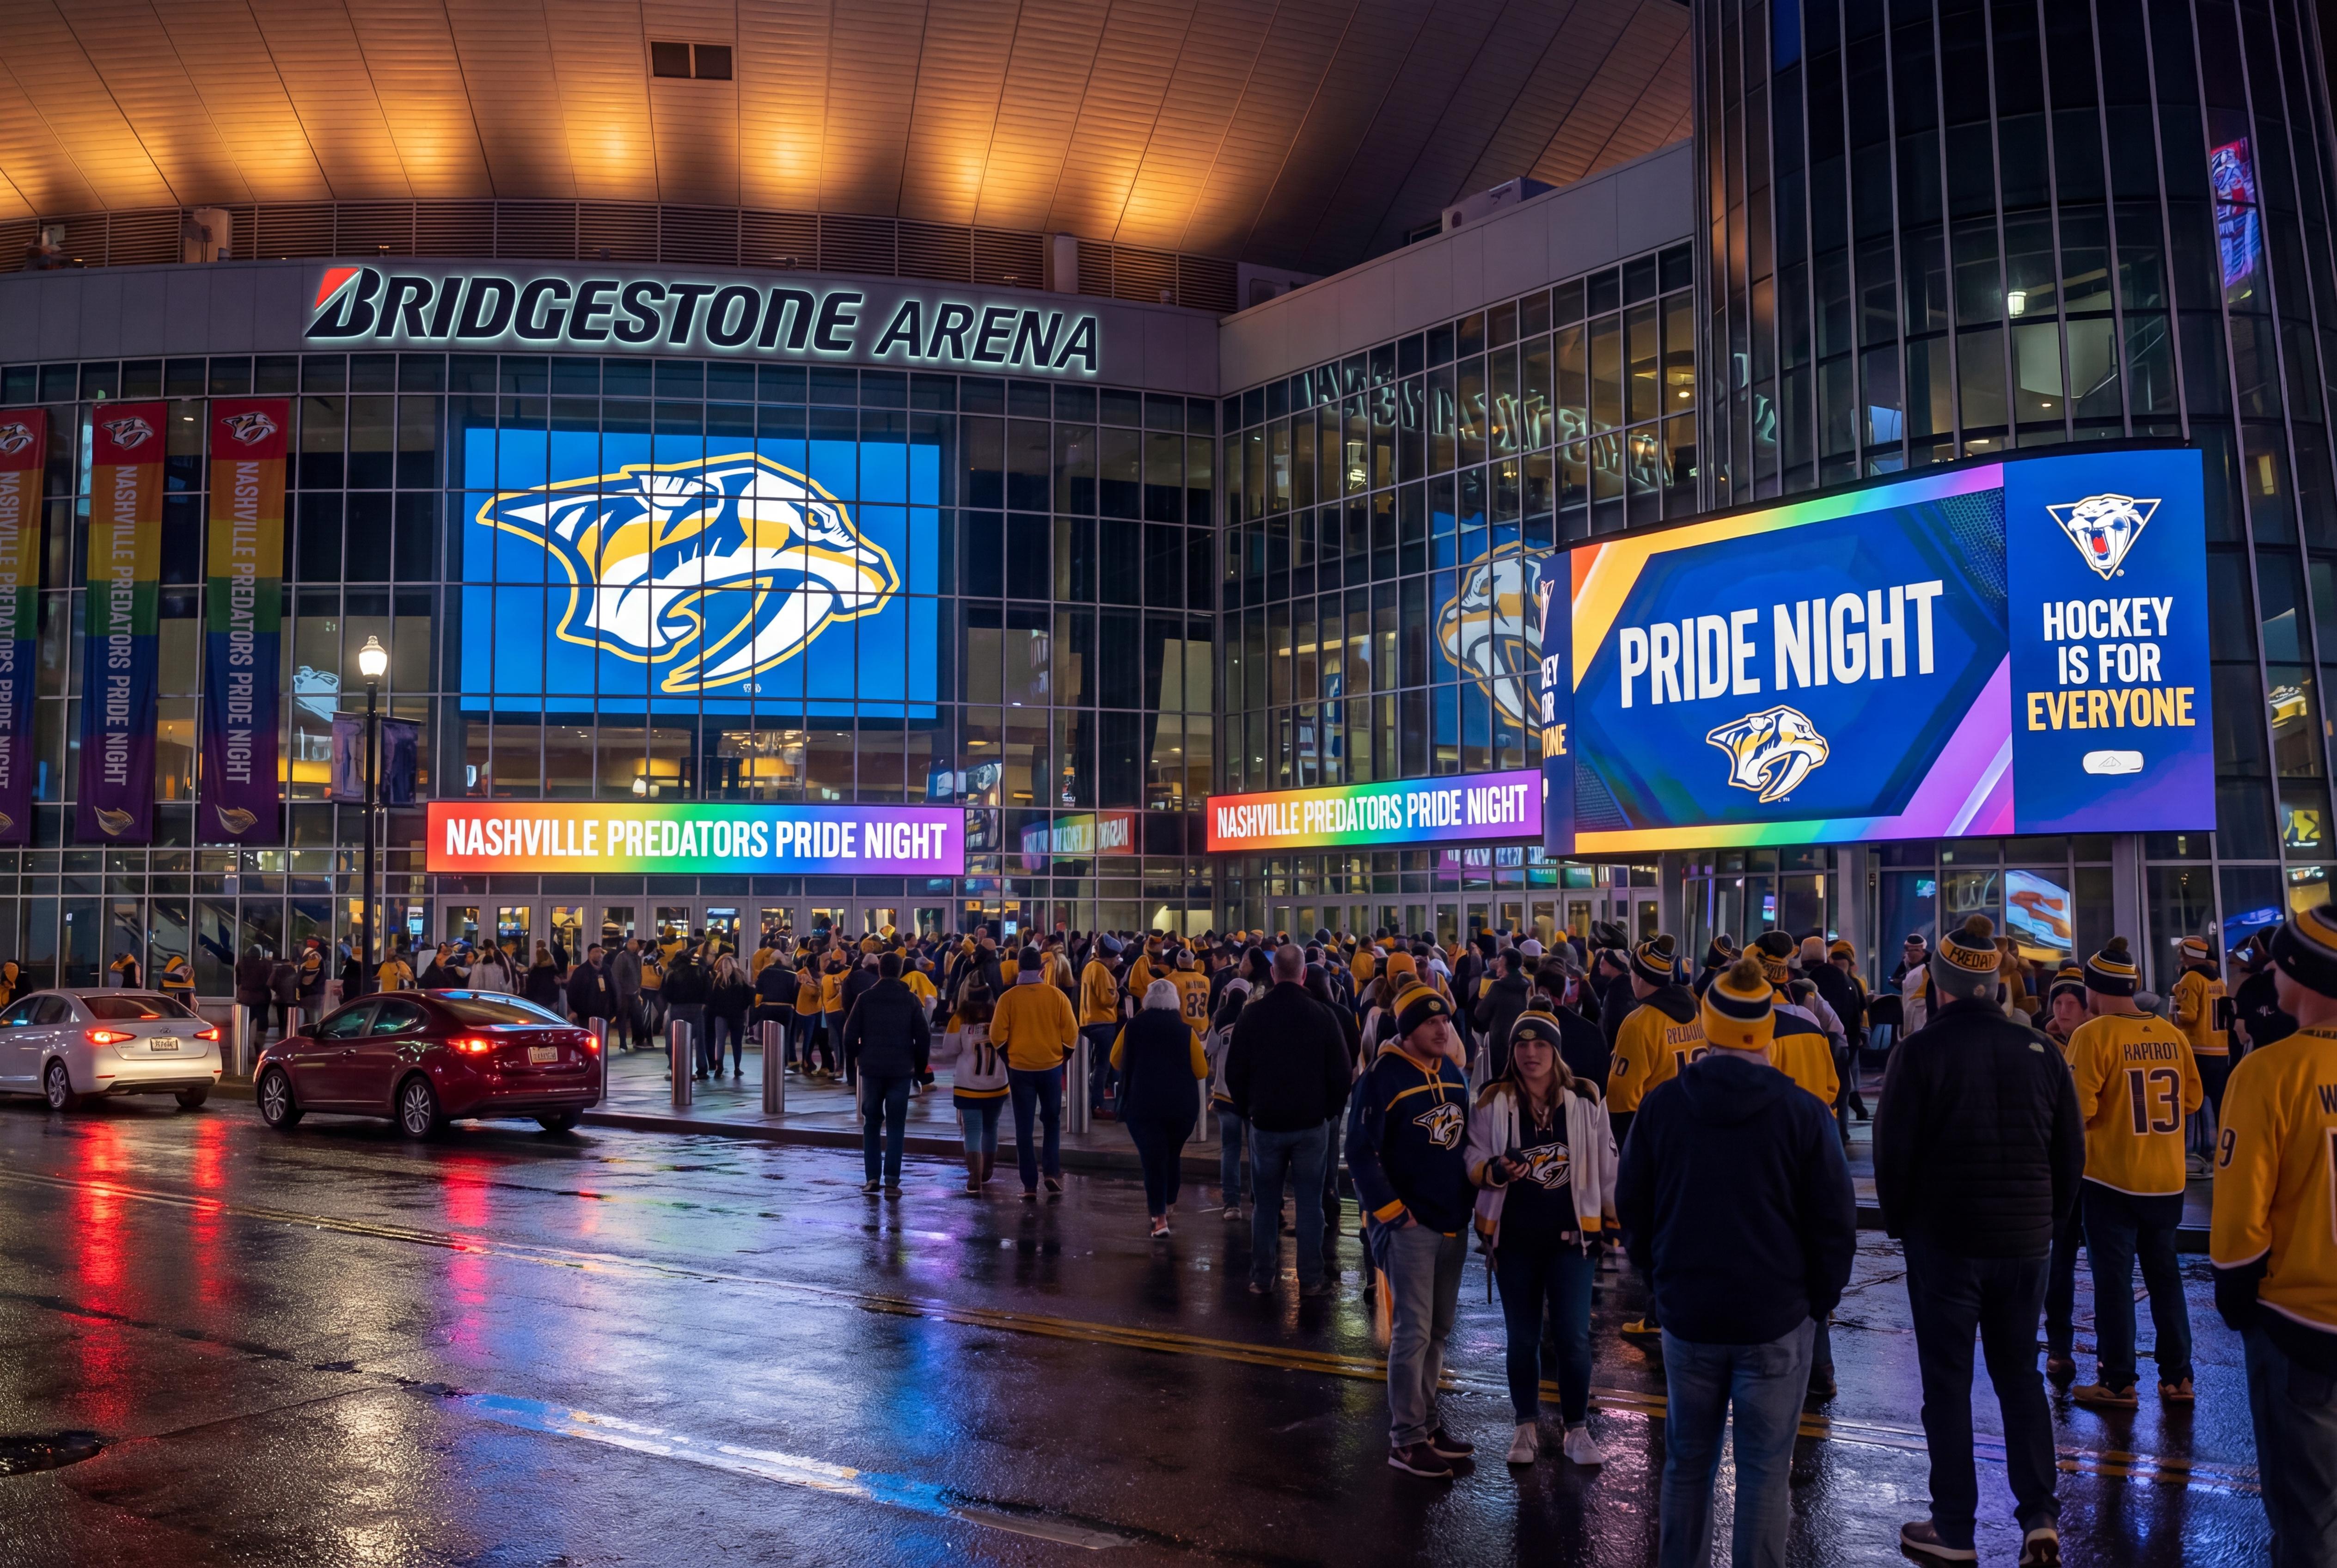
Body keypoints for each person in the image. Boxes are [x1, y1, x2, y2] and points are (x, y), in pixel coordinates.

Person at [1614, 953, 1856, 1568]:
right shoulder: (1803, 1112)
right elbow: (1835, 1221)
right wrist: (1817, 1301)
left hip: (1689, 1313)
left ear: (1709, 1025)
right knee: (1765, 1475)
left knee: (1687, 1465)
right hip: (1776, 1316)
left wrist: (1659, 1279)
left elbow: (1633, 1204)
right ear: (1765, 1029)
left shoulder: (1663, 1106)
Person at [1873, 914, 2085, 1568]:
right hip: (2025, 1244)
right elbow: (2070, 1154)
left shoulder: (1919, 1053)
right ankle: (2039, 1516)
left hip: (1946, 1243)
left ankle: (1954, 1526)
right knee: (2019, 1376)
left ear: (1938, 984)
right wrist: (2046, 1223)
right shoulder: (2043, 1051)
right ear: (1994, 985)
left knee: (1948, 1384)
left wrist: (1902, 1224)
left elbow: (1893, 1155)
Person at [2211, 903, 2337, 1567]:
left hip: (2300, 1324)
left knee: (2305, 1519)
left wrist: (2237, 1296)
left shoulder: (2267, 1071)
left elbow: (2240, 1220)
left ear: (2302, 975)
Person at [1466, 1010, 1616, 1469]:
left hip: (1573, 1240)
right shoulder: (1493, 1099)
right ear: (1511, 1050)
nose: (1530, 1053)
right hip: (1514, 1241)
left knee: (1573, 1337)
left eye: (1540, 1044)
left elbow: (1608, 1163)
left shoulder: (1586, 1096)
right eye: (1522, 1044)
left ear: (1556, 1050)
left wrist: (1612, 1219)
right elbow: (1472, 1153)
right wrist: (1494, 1169)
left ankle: (1577, 1428)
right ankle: (1525, 1426)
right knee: (1522, 1338)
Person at [2064, 937, 2202, 1407]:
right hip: (2166, 1179)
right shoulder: (2171, 1033)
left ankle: (2118, 1380)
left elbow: (2077, 1111)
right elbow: (2191, 1099)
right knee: (2165, 1277)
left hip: (2112, 1179)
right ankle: (2178, 1377)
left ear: (2094, 988)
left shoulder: (2093, 1034)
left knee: (2114, 1282)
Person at [1349, 978, 1475, 1479]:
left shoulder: (1452, 1071)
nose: (1443, 1029)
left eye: (1445, 1020)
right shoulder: (1382, 1076)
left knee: (1438, 1330)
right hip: (1410, 1226)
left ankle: (1427, 1423)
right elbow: (1360, 1152)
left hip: (1451, 1221)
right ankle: (1405, 1439)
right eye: (1431, 1022)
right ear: (1407, 1028)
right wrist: (1393, 1213)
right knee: (1413, 1332)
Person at [1224, 944, 1353, 1299]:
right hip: (1310, 1124)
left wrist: (1249, 1109)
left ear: (1274, 973)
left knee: (1266, 1205)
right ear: (1303, 974)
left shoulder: (1252, 1015)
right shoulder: (1323, 1015)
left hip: (1266, 1122)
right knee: (1310, 1204)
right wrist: (1328, 1111)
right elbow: (1342, 1073)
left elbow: (1234, 1071)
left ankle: (1262, 1277)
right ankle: (1310, 1278)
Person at [1115, 978, 1208, 1236]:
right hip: (1182, 1107)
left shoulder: (1133, 1027)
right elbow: (1202, 1071)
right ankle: (1169, 1203)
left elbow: (1115, 1060)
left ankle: (1160, 1217)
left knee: (1152, 1158)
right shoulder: (1186, 1031)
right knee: (1172, 1154)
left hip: (1143, 1105)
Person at [2038, 968, 2093, 1382]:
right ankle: (2059, 1345)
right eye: (2057, 1002)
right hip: (2061, 1169)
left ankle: (2116, 1356)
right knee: (2059, 1263)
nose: (2063, 1010)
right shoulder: (2044, 1047)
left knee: (2108, 1266)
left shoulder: (2097, 1041)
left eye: (2071, 1002)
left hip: (2099, 1172)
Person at [991, 947, 1079, 1200]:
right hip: (1051, 1067)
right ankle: (1051, 1172)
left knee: (1024, 1126)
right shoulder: (1056, 996)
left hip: (1020, 1069)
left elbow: (997, 1036)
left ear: (1019, 968)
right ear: (1042, 970)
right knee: (1052, 1121)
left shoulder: (1008, 998)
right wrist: (1061, 1057)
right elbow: (1071, 1034)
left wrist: (1010, 1059)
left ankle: (1029, 1185)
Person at [841, 952, 931, 1197]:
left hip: (872, 1068)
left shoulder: (865, 998)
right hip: (901, 1068)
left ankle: (872, 1178)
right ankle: (892, 1181)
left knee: (871, 1122)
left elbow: (850, 1035)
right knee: (896, 1124)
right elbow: (923, 1036)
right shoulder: (910, 1000)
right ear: (900, 972)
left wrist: (857, 1057)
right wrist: (920, 1066)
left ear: (879, 970)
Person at [1604, 934, 1701, 1154]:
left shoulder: (1638, 1024)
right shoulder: (1696, 1014)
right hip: (1692, 1129)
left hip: (1658, 1137)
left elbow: (1621, 1099)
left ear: (1640, 978)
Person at [1207, 947, 1268, 1215]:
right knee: (1256, 1150)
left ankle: (1231, 1203)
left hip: (1224, 1093)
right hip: (1251, 1095)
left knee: (1229, 1150)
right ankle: (1258, 1199)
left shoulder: (1221, 1019)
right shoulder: (1253, 1018)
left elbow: (1209, 1048)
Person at [2169, 934, 2230, 1177]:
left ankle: (2192, 1153)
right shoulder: (2219, 980)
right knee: (2218, 1104)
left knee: (2191, 1102)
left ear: (2189, 955)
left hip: (2198, 1050)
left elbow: (2189, 1016)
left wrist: (2174, 1011)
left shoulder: (2191, 978)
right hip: (2221, 1050)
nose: (2180, 956)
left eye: (2182, 952)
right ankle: (2223, 1151)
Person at [951, 984, 1007, 1193]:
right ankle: (988, 1171)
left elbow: (949, 1049)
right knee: (991, 1126)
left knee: (973, 1129)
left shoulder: (959, 1019)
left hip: (968, 1085)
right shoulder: (1000, 1017)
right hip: (997, 1083)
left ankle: (974, 1176)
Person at [1472, 948, 1533, 1082]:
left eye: (1499, 962)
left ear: (1504, 962)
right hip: (1525, 1040)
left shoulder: (1498, 987)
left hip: (1500, 1042)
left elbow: (1480, 1014)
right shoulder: (1529, 985)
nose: (1497, 967)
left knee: (1501, 1082)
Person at [663, 946, 712, 1081]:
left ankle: (675, 1068)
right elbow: (707, 987)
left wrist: (671, 1002)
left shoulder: (672, 970)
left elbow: (665, 991)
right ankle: (702, 1070)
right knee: (699, 1040)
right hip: (696, 1007)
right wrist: (703, 1003)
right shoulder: (699, 969)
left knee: (675, 1040)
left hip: (677, 1008)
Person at [709, 953, 754, 1077]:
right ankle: (725, 1067)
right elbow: (749, 997)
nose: (725, 968)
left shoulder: (724, 981)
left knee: (730, 1042)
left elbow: (748, 997)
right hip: (730, 1015)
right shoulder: (722, 981)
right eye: (724, 966)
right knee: (727, 1042)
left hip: (730, 1016)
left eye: (727, 966)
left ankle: (730, 1068)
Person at [567, 945, 617, 1030]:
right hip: (586, 1015)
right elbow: (573, 993)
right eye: (596, 952)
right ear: (589, 954)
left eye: (601, 952)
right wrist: (577, 1011)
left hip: (604, 1013)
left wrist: (613, 1009)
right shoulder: (581, 971)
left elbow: (612, 989)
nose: (599, 955)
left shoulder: (606, 970)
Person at [525, 943, 563, 1012]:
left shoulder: (535, 971)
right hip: (552, 1002)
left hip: (537, 1003)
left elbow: (531, 988)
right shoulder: (553, 970)